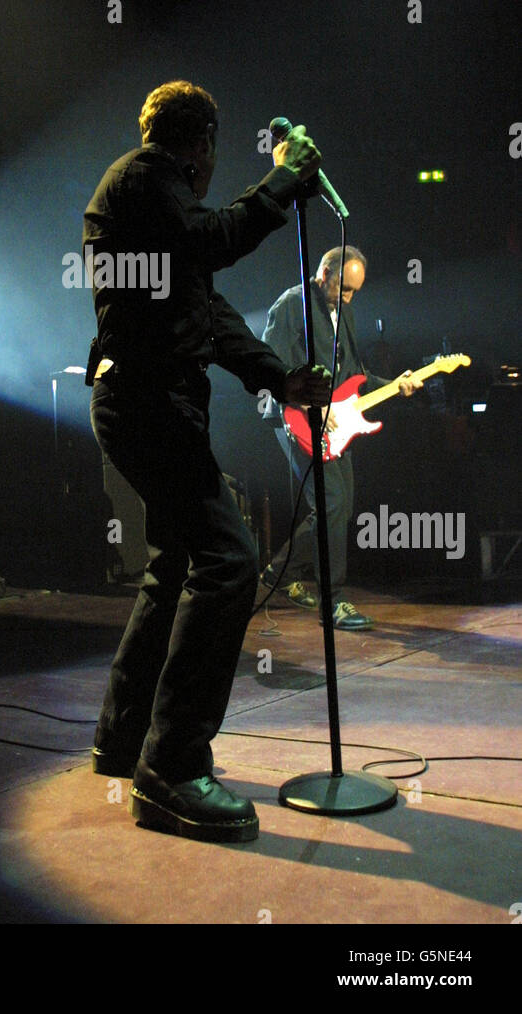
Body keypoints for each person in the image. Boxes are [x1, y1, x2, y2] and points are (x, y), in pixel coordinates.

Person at [83, 80, 331, 843]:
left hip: (149, 402)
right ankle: (172, 770)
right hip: (147, 402)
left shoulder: (153, 201)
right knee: (228, 560)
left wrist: (274, 376)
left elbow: (208, 310)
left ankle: (126, 741)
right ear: (202, 146)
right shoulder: (147, 177)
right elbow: (215, 241)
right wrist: (286, 181)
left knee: (176, 562)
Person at [260, 246, 422, 629]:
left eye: (354, 291)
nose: (349, 297)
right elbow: (271, 367)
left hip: (334, 419)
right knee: (331, 503)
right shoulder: (291, 305)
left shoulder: (343, 310)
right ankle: (333, 602)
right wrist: (312, 407)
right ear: (324, 274)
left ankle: (279, 571)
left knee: (340, 507)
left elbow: (354, 374)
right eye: (344, 288)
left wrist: (394, 385)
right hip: (296, 418)